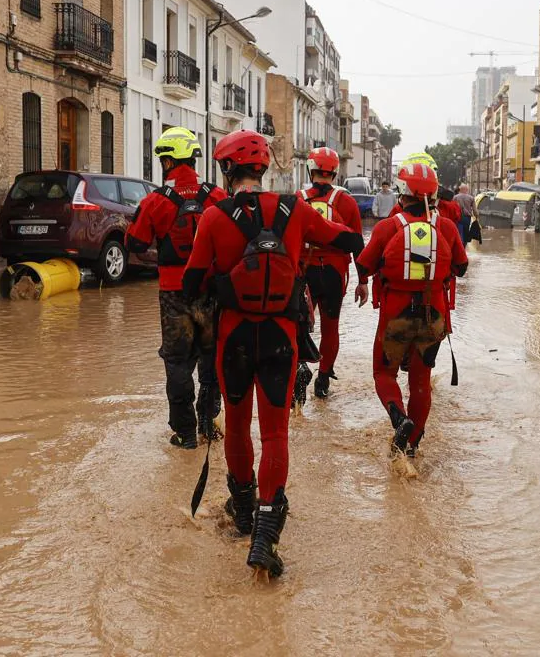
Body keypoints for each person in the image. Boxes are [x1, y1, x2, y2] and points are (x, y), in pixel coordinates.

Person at [183, 130, 363, 580]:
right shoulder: (296, 209)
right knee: (276, 434)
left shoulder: (213, 217)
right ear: (264, 169)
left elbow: (191, 284)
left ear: (227, 169)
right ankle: (266, 534)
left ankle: (242, 512)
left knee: (239, 426)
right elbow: (349, 242)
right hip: (283, 336)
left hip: (234, 337)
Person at [355, 154, 468, 464]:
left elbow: (363, 265)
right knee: (420, 381)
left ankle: (397, 417)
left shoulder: (388, 227)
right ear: (432, 195)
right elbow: (461, 267)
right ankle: (413, 444)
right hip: (433, 315)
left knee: (383, 373)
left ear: (402, 194)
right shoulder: (444, 227)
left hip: (394, 314)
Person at [126, 127, 227, 449]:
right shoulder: (216, 196)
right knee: (211, 360)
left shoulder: (154, 201)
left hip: (174, 294)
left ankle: (184, 434)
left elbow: (136, 242)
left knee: (177, 362)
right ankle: (209, 424)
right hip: (211, 291)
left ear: (168, 161)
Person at [300, 146, 363, 401]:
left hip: (303, 271)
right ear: (335, 173)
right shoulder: (346, 201)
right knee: (331, 327)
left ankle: (299, 367)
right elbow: (358, 244)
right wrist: (364, 281)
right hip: (335, 272)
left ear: (310, 170)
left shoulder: (298, 199)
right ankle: (323, 377)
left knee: (298, 325)